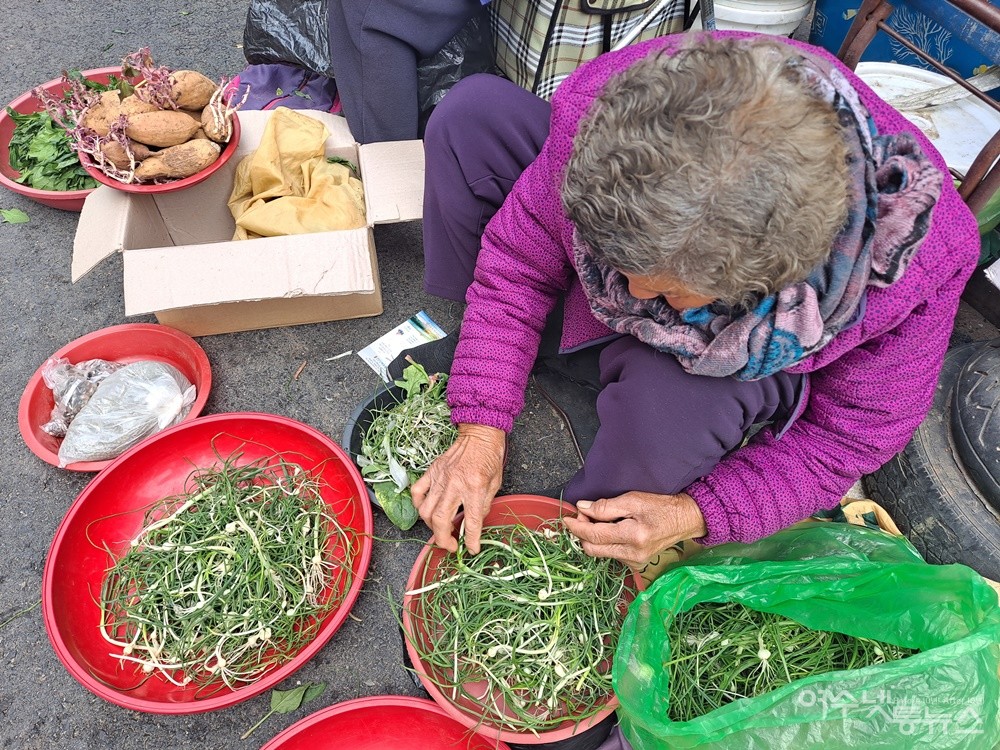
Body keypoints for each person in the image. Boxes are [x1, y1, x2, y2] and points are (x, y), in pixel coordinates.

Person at [408, 31, 980, 569]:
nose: (632, 296)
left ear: (767, 280)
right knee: (472, 117)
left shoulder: (914, 263)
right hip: (621, 254)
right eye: (623, 271)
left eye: (663, 291)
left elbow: (846, 438)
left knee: (670, 422)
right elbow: (521, 254)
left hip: (718, 368)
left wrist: (699, 512)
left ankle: (605, 466)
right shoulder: (626, 112)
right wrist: (480, 426)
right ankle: (515, 351)